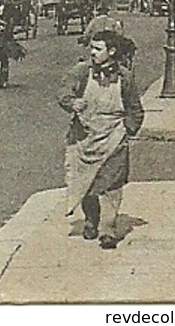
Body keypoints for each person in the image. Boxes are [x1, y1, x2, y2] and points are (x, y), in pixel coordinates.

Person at [59, 30, 145, 249]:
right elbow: (63, 94)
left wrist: (128, 130)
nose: (93, 53)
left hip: (114, 138)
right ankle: (91, 220)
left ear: (112, 51)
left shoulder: (124, 76)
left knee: (112, 186)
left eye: (98, 49)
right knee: (87, 185)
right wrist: (71, 103)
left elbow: (135, 108)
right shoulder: (80, 72)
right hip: (85, 138)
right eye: (92, 48)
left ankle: (108, 230)